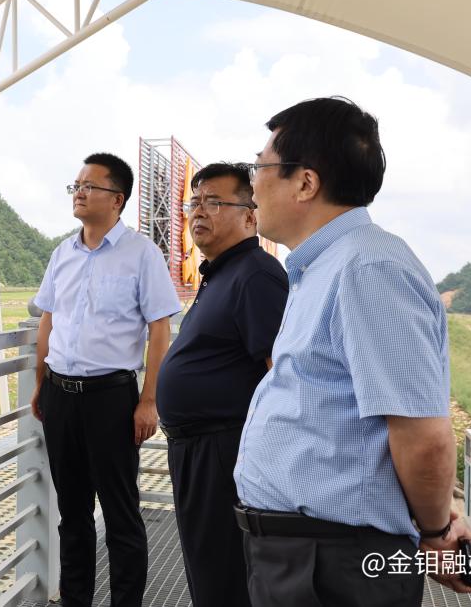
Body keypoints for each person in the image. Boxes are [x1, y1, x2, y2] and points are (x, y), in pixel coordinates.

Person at [235, 96, 471, 605]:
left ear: (305, 182)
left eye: (259, 167)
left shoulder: (367, 269)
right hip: (307, 554)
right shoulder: (323, 267)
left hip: (334, 564)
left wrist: (436, 532)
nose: (251, 185)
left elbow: (422, 436)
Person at [30, 152, 181, 607]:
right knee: (72, 513)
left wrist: (148, 400)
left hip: (111, 399)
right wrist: (40, 384)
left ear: (117, 198)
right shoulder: (63, 253)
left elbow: (159, 328)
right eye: (76, 185)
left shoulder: (142, 253)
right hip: (60, 395)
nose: (78, 193)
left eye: (89, 186)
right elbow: (47, 320)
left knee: (120, 514)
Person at [155, 162, 288, 607]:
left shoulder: (256, 275)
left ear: (250, 216)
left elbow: (281, 377)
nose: (198, 211)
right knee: (206, 569)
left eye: (214, 202)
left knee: (224, 576)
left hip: (223, 453)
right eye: (194, 202)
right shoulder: (222, 273)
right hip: (199, 451)